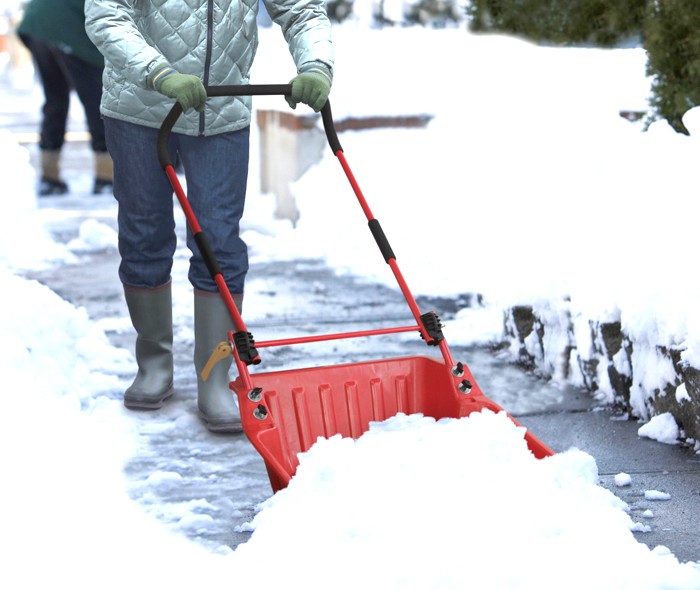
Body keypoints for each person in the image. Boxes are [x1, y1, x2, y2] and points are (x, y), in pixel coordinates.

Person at [84, 0, 334, 433]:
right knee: (144, 233)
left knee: (219, 242)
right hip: (138, 108)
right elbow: (107, 15)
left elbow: (302, 10)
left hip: (221, 110)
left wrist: (314, 64)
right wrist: (159, 72)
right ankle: (153, 365)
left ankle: (214, 379)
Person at [17, 0, 113, 196]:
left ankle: (49, 176)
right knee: (97, 102)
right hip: (66, 28)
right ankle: (106, 177)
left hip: (38, 25)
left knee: (55, 99)